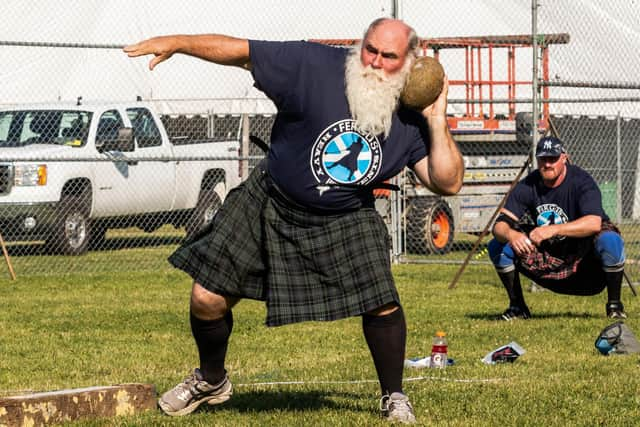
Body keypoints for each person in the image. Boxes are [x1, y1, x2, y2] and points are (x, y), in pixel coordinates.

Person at [124, 17, 463, 424]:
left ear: (409, 62)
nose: (373, 61)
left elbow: (448, 182)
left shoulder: (411, 121)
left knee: (382, 301)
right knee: (206, 298)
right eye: (369, 49)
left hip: (346, 215)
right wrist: (178, 42)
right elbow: (240, 50)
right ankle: (211, 380)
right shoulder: (312, 64)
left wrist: (436, 119)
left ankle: (394, 396)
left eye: (387, 56)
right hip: (271, 199)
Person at [488, 135, 627, 321]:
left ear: (564, 158)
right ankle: (517, 307)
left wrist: (552, 229)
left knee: (610, 240)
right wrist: (512, 234)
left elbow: (594, 223)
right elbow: (498, 226)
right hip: (551, 255)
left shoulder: (581, 181)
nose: (547, 164)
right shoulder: (528, 185)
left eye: (552, 159)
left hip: (585, 260)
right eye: (543, 159)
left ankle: (615, 307)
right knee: (498, 246)